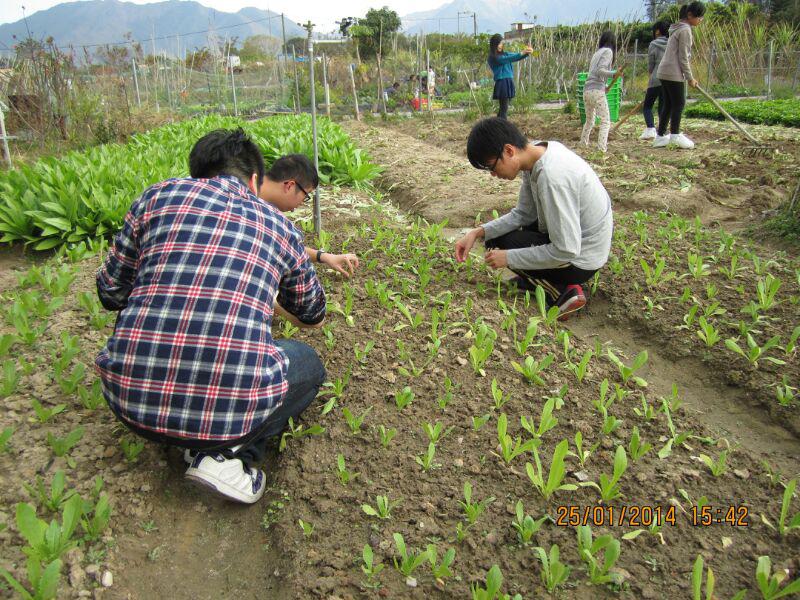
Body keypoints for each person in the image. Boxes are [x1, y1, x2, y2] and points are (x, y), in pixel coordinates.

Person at [95, 129, 327, 504]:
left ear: (196, 173)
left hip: (128, 402)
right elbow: (313, 311)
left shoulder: (154, 199)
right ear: (255, 179)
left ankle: (193, 435)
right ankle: (228, 454)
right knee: (309, 366)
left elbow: (110, 293)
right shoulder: (278, 226)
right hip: (230, 404)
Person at [456, 118, 613, 321]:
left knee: (501, 244)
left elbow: (566, 249)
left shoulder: (552, 176)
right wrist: (477, 232)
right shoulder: (537, 153)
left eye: (492, 167)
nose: (493, 175)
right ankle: (535, 278)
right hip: (578, 242)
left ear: (509, 151)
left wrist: (509, 258)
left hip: (581, 259)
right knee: (496, 236)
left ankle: (561, 292)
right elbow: (524, 213)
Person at [190, 130, 359, 278]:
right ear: (290, 185)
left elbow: (280, 246)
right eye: (306, 196)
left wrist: (323, 256)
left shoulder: (184, 202)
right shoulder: (253, 211)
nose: (302, 203)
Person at [654, 1, 705, 149]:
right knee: (679, 103)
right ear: (690, 15)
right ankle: (675, 135)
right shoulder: (685, 30)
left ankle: (660, 136)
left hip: (664, 71)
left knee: (669, 105)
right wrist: (690, 77)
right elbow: (683, 57)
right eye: (699, 17)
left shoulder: (676, 28)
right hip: (673, 72)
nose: (700, 20)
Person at [580, 31, 623, 153]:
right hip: (596, 91)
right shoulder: (608, 51)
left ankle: (583, 145)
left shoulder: (596, 53)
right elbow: (600, 71)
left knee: (589, 121)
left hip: (587, 90)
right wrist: (614, 73)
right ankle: (601, 150)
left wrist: (606, 86)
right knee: (605, 121)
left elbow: (595, 73)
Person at [487, 34, 533, 119]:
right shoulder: (493, 57)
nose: (501, 45)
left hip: (507, 81)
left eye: (501, 43)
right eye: (499, 43)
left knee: (503, 109)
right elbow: (508, 59)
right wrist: (523, 52)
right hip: (502, 82)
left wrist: (527, 52)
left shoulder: (504, 54)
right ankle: (502, 126)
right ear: (494, 44)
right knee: (504, 108)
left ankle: (499, 126)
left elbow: (515, 57)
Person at [639, 21, 670, 140]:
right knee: (663, 106)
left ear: (657, 31)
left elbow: (651, 64)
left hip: (656, 78)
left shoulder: (654, 43)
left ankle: (651, 129)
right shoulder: (672, 43)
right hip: (668, 79)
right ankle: (662, 131)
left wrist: (650, 73)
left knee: (647, 106)